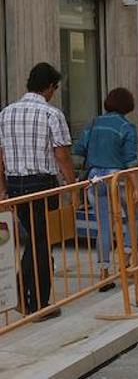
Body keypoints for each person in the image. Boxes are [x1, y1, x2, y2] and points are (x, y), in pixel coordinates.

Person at [0, 63, 76, 319]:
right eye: (54, 88)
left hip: (15, 183)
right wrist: (73, 186)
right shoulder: (51, 114)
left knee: (34, 238)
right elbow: (62, 155)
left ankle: (23, 295)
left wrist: (3, 190)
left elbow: (0, 155)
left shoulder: (6, 113)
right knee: (43, 240)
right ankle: (38, 304)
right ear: (49, 87)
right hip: (41, 183)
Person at [73, 88, 138, 292]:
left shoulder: (92, 124)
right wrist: (137, 188)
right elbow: (131, 161)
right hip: (117, 178)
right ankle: (126, 257)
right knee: (133, 216)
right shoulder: (127, 126)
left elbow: (79, 149)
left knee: (103, 225)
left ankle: (104, 272)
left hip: (95, 179)